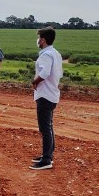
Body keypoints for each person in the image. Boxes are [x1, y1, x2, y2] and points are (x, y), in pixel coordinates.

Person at [30, 26, 63, 170]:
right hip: (52, 94)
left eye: (38, 38)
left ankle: (46, 160)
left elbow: (44, 73)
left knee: (45, 128)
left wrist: (34, 81)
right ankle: (47, 155)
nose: (37, 40)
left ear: (42, 40)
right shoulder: (55, 53)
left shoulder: (45, 55)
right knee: (49, 126)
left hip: (45, 94)